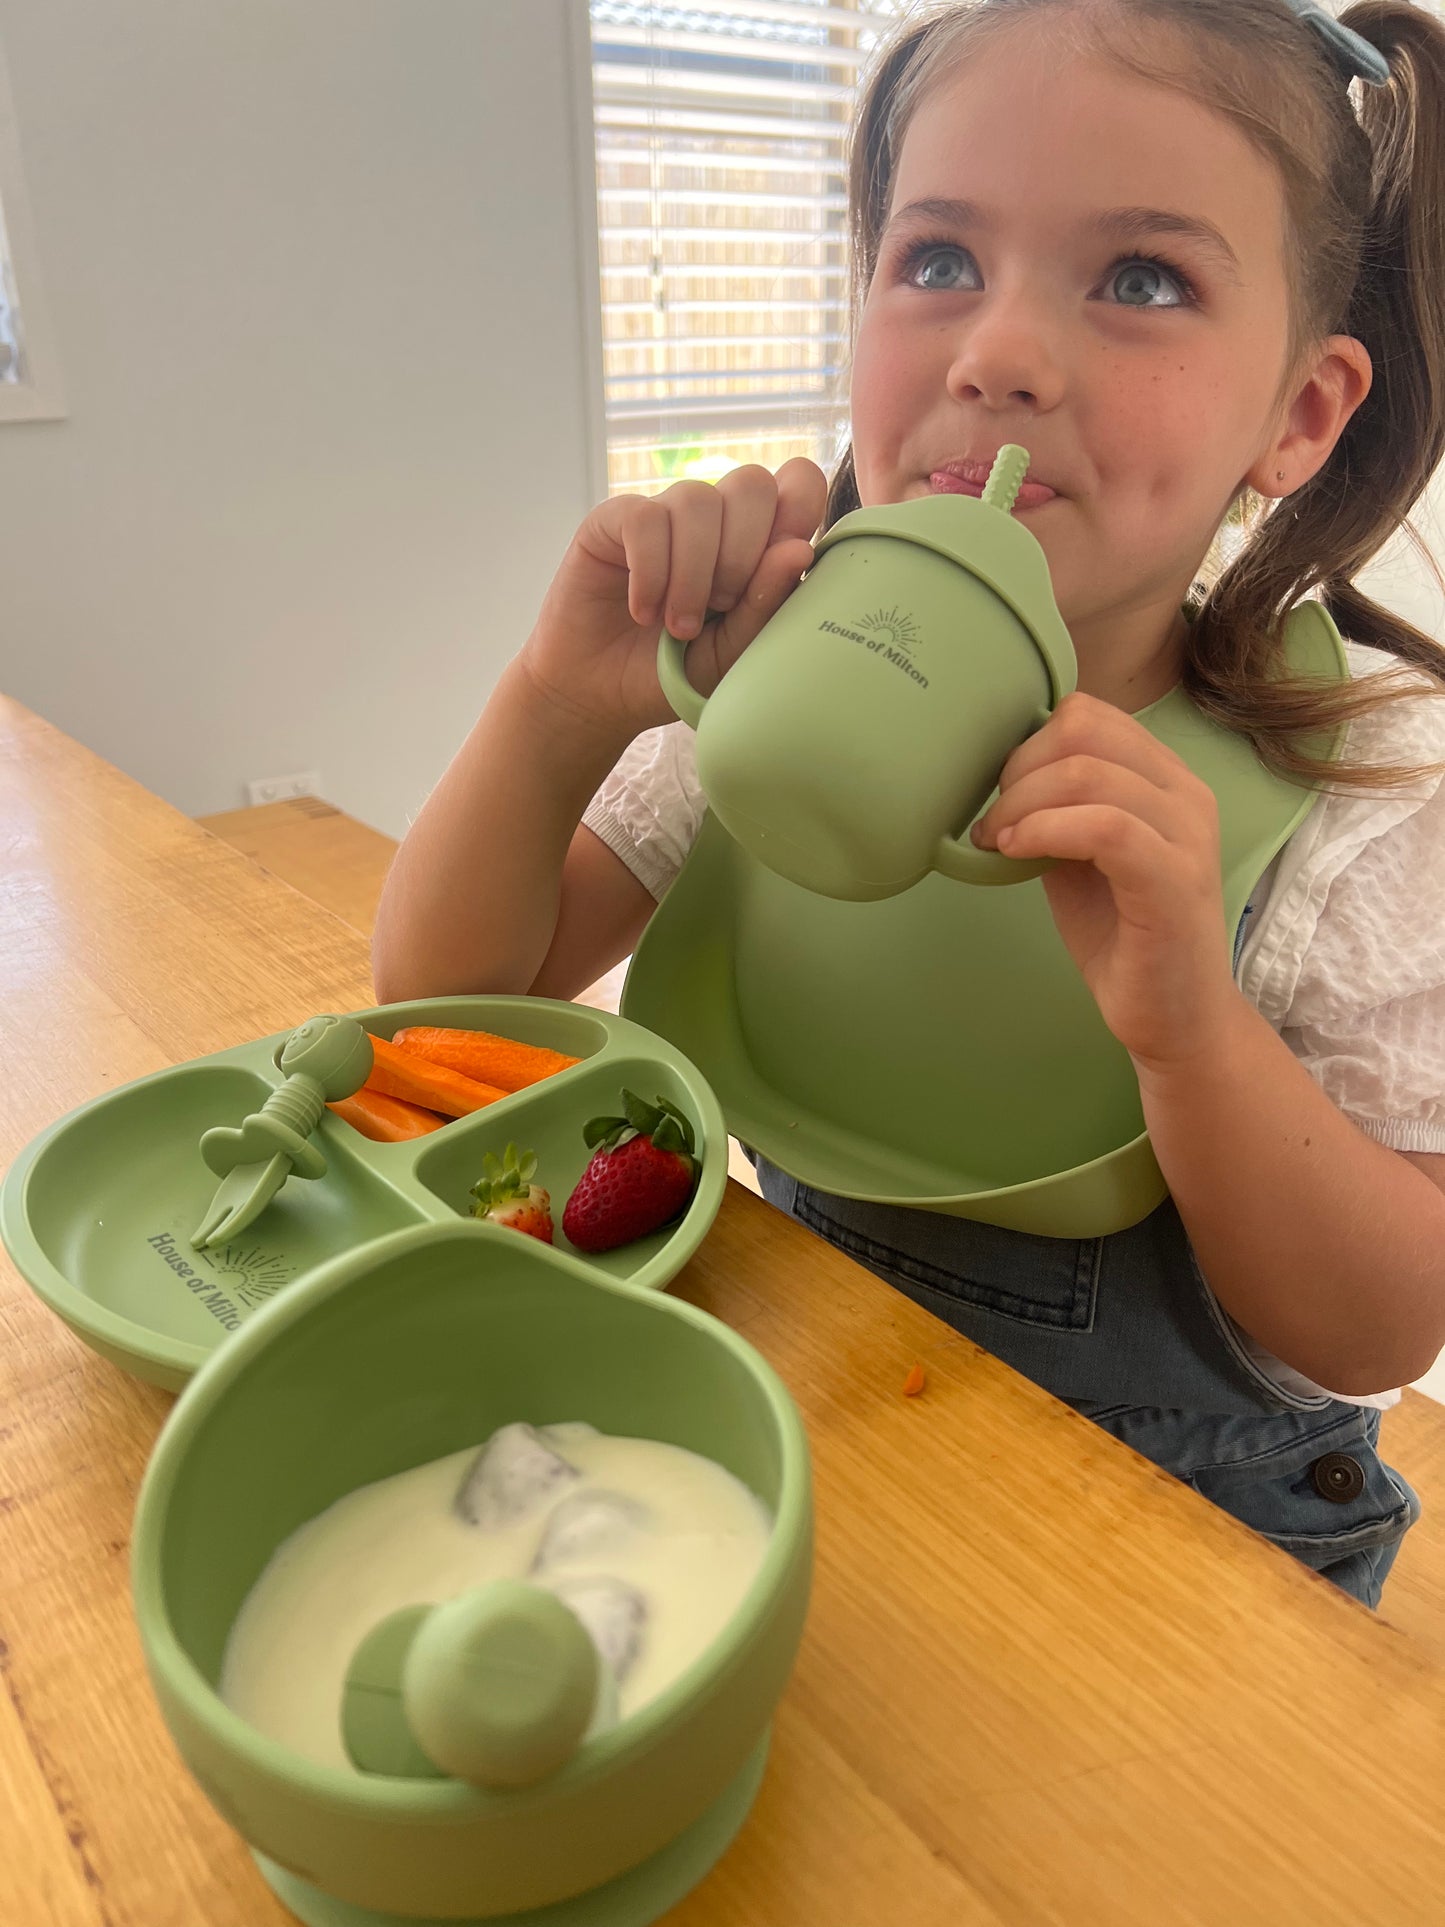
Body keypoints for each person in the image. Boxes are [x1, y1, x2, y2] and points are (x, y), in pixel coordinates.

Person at [374, 0, 1445, 1607]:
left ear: (1297, 414)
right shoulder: (773, 678)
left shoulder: (1360, 789)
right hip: (798, 1435)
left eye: (1141, 280)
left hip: (1180, 1572)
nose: (996, 353)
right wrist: (555, 706)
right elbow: (453, 1011)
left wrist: (1186, 1032)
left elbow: (1372, 1329)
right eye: (936, 260)